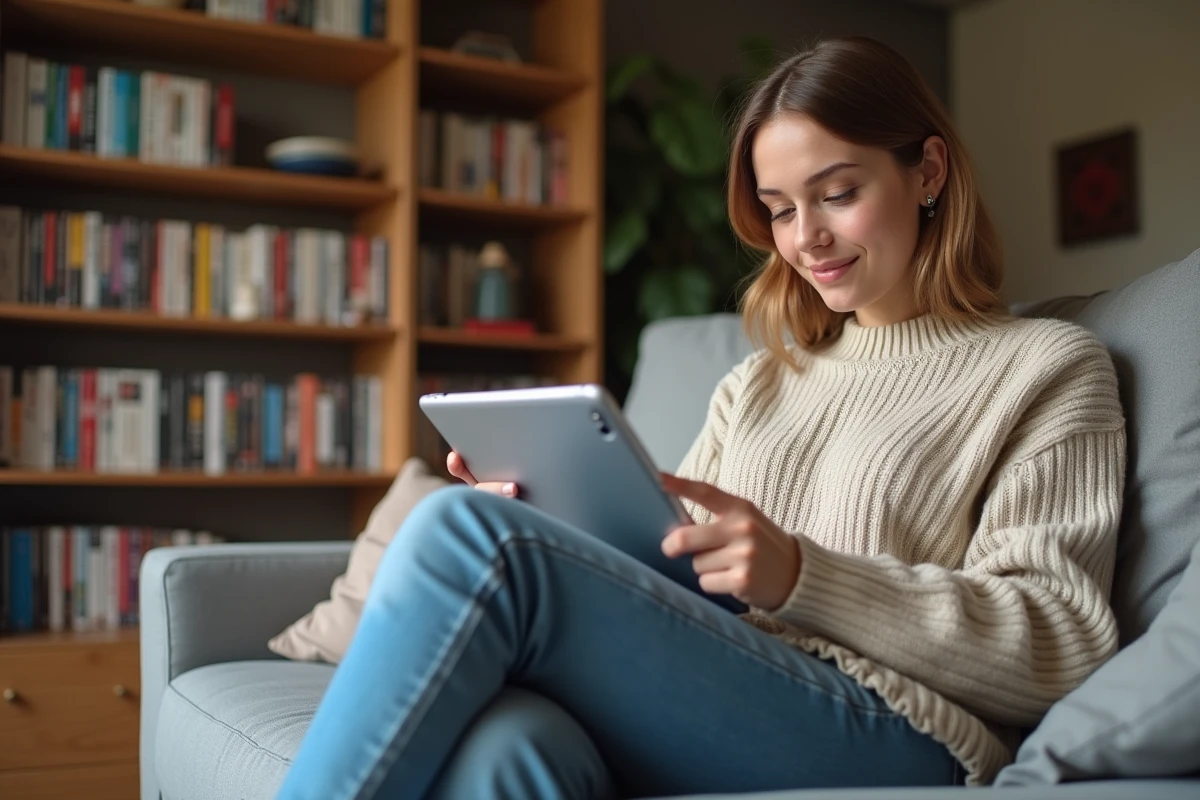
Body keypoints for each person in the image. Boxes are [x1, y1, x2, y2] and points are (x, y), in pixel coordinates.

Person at [276, 36, 1125, 799]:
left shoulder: (1045, 367)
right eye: (781, 209)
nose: (807, 239)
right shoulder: (756, 382)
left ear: (929, 172)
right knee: (511, 749)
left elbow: (1062, 642)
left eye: (837, 193)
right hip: (735, 682)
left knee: (462, 534)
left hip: (902, 730)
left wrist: (803, 576)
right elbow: (667, 573)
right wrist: (548, 517)